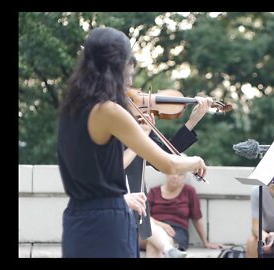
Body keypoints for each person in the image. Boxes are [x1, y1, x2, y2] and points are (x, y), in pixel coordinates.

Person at [57, 27, 207, 258]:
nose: (129, 81)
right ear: (117, 67)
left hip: (76, 218)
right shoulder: (109, 111)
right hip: (108, 224)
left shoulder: (71, 109)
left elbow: (99, 168)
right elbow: (169, 164)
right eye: (127, 74)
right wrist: (196, 161)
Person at [124, 97, 213, 258]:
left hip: (132, 202)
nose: (144, 100)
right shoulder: (109, 116)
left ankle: (167, 248)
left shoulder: (138, 126)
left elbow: (164, 156)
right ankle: (167, 248)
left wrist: (192, 121)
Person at [144, 172, 223, 257]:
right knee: (155, 236)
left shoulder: (189, 191)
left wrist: (205, 242)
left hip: (176, 232)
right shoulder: (154, 192)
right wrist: (161, 225)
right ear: (166, 173)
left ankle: (168, 249)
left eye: (180, 174)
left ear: (185, 176)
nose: (175, 176)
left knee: (154, 244)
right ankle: (169, 249)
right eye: (171, 173)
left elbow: (196, 218)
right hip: (154, 227)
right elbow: (144, 215)